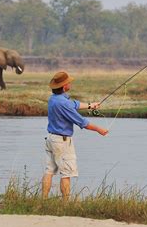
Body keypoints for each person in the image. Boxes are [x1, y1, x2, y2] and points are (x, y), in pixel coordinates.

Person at [42, 71, 108, 200]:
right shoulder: (64, 103)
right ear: (65, 86)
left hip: (50, 139)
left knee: (49, 171)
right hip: (62, 141)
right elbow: (82, 123)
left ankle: (43, 200)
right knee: (66, 173)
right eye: (69, 82)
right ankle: (66, 204)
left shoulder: (54, 99)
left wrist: (90, 105)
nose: (70, 83)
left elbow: (75, 104)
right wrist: (100, 130)